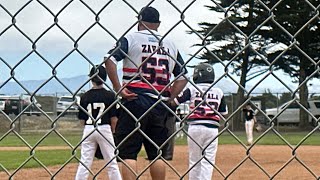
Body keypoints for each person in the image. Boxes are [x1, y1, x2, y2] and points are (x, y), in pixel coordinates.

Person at [104, 6, 188, 180]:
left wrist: (118, 87)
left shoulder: (132, 37)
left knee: (128, 154)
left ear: (139, 21)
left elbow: (109, 60)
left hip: (134, 100)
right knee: (157, 154)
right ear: (158, 24)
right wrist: (170, 97)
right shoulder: (170, 43)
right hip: (159, 103)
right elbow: (183, 77)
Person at [170, 63, 228, 180]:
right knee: (208, 160)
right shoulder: (218, 91)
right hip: (212, 129)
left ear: (197, 76)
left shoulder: (192, 89)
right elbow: (224, 113)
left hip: (194, 128)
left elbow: (175, 102)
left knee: (194, 159)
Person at [75, 65, 122, 180]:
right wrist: (113, 132)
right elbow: (114, 119)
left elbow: (82, 120)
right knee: (111, 161)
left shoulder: (85, 96)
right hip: (105, 128)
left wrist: (87, 130)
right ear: (104, 79)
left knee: (85, 162)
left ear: (91, 78)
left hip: (89, 128)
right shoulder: (110, 95)